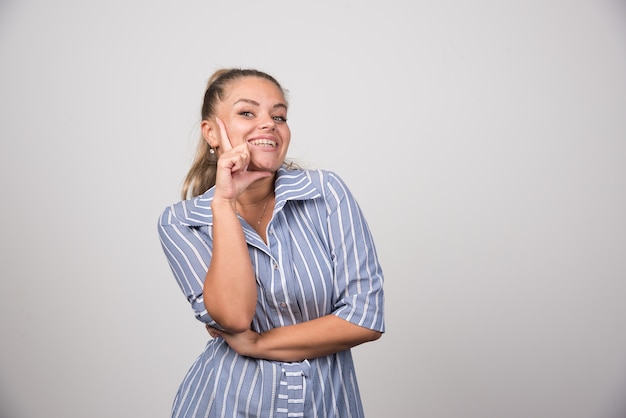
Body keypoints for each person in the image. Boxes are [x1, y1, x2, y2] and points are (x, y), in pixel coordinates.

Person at [158, 68, 385, 418]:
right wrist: (223, 201)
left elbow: (364, 317)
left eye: (279, 116)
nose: (269, 124)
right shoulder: (181, 222)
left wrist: (258, 343)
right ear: (211, 133)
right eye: (247, 112)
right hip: (226, 403)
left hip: (325, 404)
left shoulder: (325, 194)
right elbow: (234, 316)